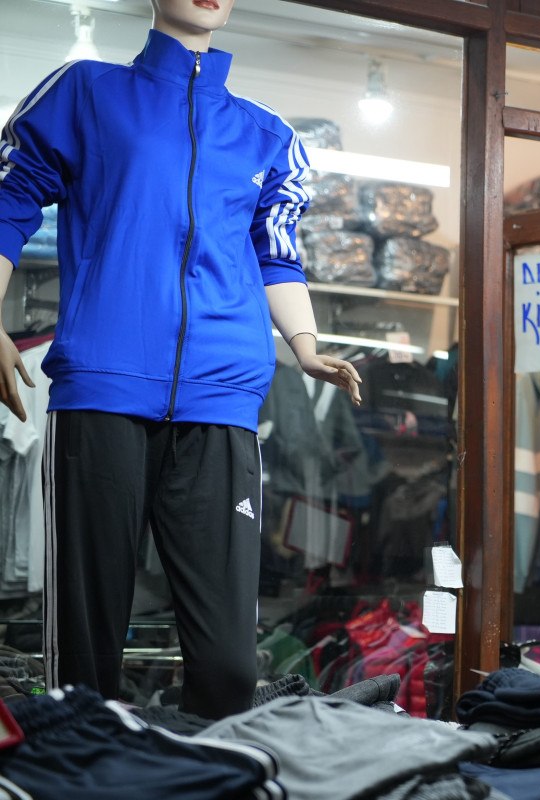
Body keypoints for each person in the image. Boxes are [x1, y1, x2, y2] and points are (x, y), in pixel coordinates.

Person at [0, 0, 361, 718]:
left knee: (229, 667)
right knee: (87, 658)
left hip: (222, 401)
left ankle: (196, 767)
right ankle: (91, 765)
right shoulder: (86, 92)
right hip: (102, 391)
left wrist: (307, 347)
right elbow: (10, 200)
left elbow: (276, 256)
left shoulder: (267, 135)